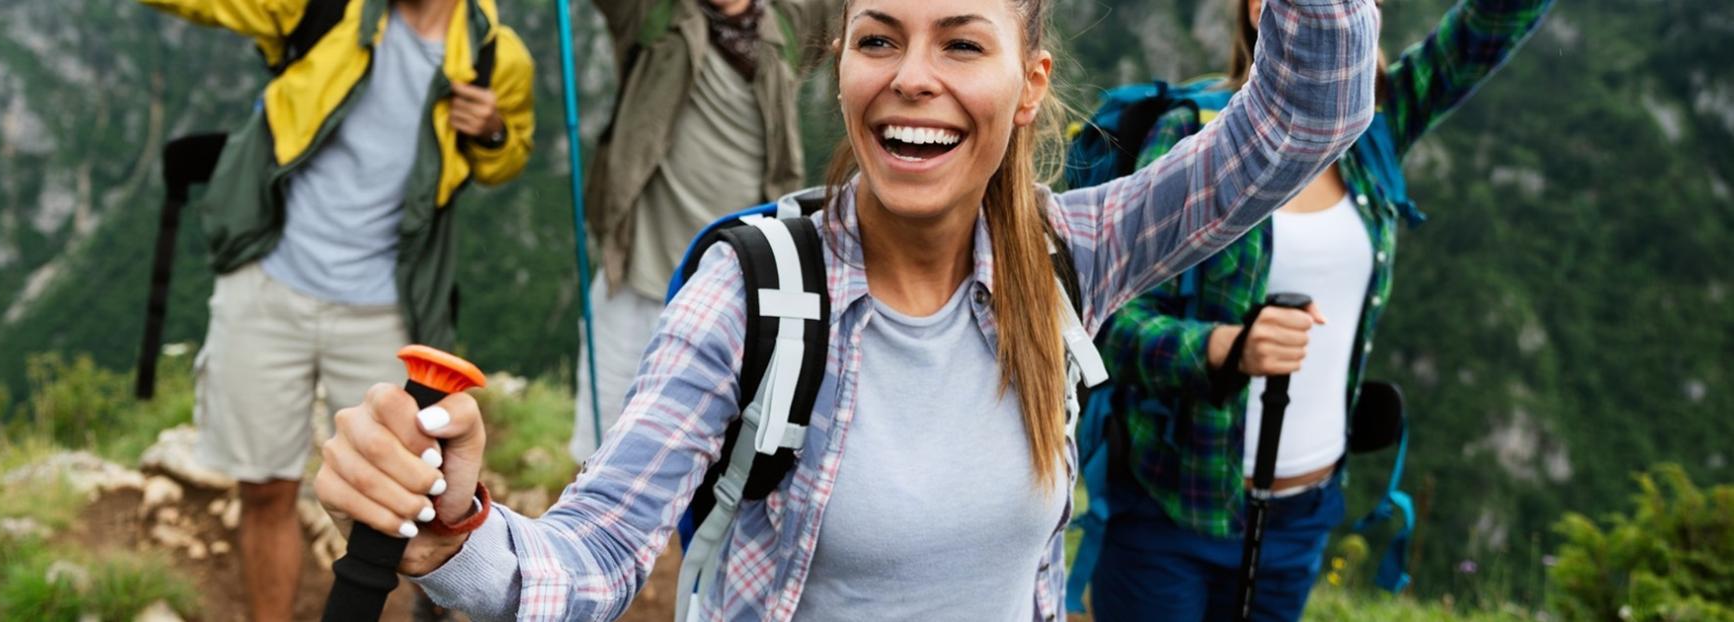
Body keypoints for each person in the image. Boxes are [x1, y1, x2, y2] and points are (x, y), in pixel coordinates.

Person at [314, 0, 1377, 617]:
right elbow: (593, 557)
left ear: (1030, 83)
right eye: (878, 40)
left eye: (962, 44)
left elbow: (1304, 117)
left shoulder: (1073, 254)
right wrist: (454, 523)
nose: (912, 78)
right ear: (842, 69)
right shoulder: (753, 289)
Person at [1089, 0, 1555, 619]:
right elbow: (1105, 319)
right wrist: (1224, 348)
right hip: (1175, 511)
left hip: (1303, 517)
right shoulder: (1194, 133)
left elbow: (1484, 32)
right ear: (1260, 9)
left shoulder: (1373, 133)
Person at [136, 0, 535, 619]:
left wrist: (491, 131)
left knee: (397, 510)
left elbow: (505, 160)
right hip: (268, 287)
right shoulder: (323, 7)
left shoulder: (495, 54)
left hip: (388, 314)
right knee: (264, 487)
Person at [571, 0, 835, 462]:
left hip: (741, 290)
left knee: (720, 458)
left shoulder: (790, 24)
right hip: (638, 276)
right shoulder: (652, 17)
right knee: (600, 451)